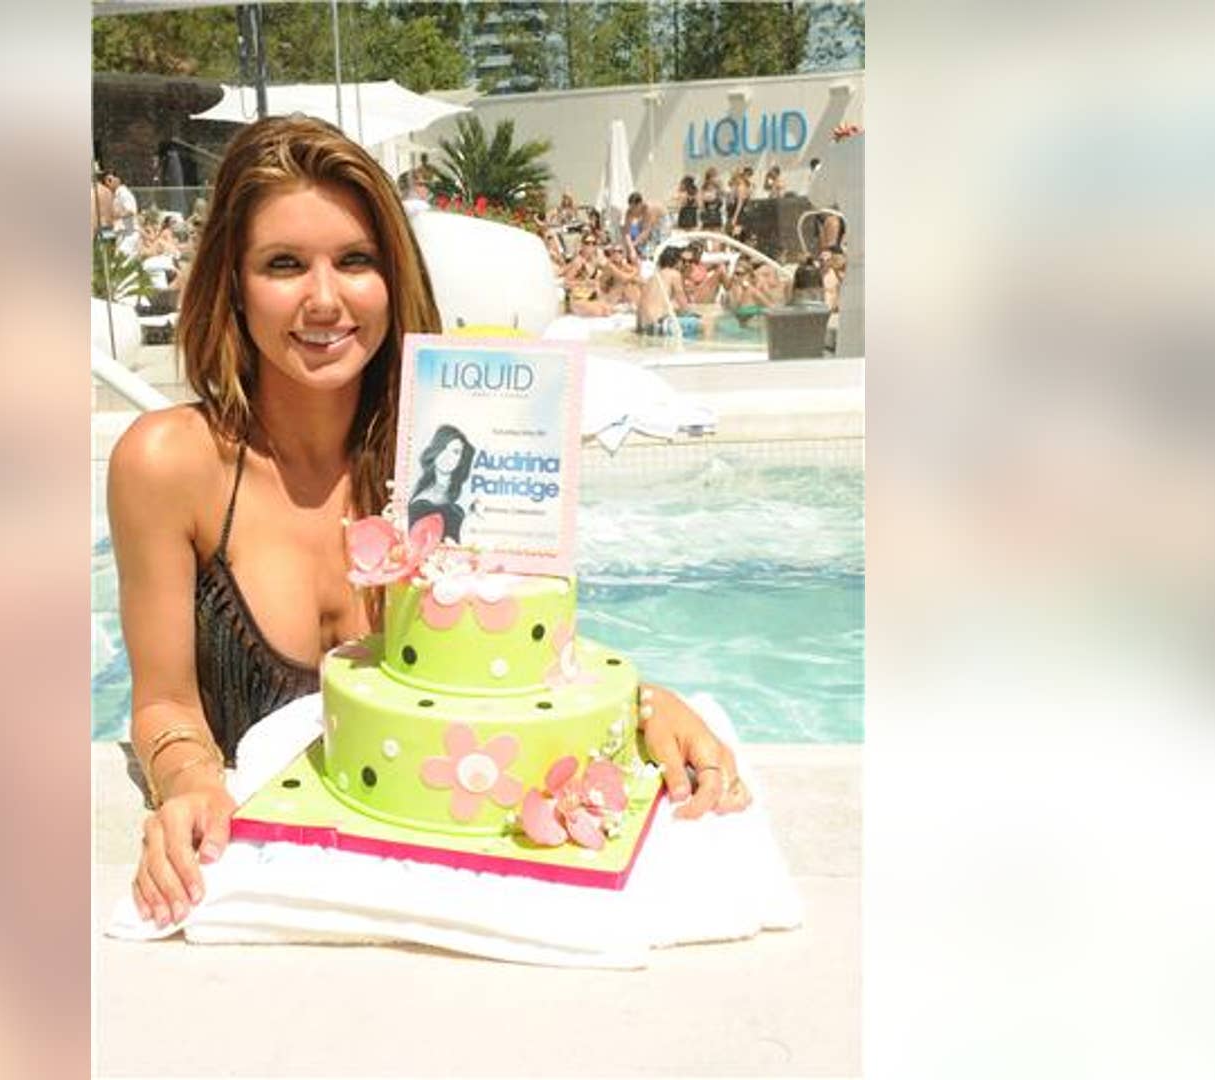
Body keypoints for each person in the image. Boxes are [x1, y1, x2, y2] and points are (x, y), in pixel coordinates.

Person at [108, 115, 753, 928]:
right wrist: (193, 780)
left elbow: (509, 667)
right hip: (272, 897)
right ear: (232, 285)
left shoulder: (462, 442)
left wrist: (645, 707)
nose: (324, 298)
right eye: (283, 265)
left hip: (436, 888)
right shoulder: (170, 466)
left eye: (355, 261)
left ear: (393, 275)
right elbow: (163, 701)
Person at [406, 424, 476, 541]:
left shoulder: (461, 495)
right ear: (435, 450)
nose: (447, 456)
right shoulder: (421, 498)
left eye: (455, 452)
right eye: (443, 448)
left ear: (461, 459)